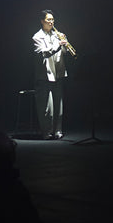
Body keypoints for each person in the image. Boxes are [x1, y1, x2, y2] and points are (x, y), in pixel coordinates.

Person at [32, 10, 71, 140]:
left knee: (58, 105)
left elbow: (64, 52)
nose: (51, 22)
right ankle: (47, 132)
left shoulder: (56, 35)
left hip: (58, 73)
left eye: (52, 19)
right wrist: (58, 45)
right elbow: (44, 53)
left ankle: (58, 130)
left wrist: (65, 42)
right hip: (44, 75)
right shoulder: (37, 37)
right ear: (42, 21)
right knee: (46, 107)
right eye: (48, 20)